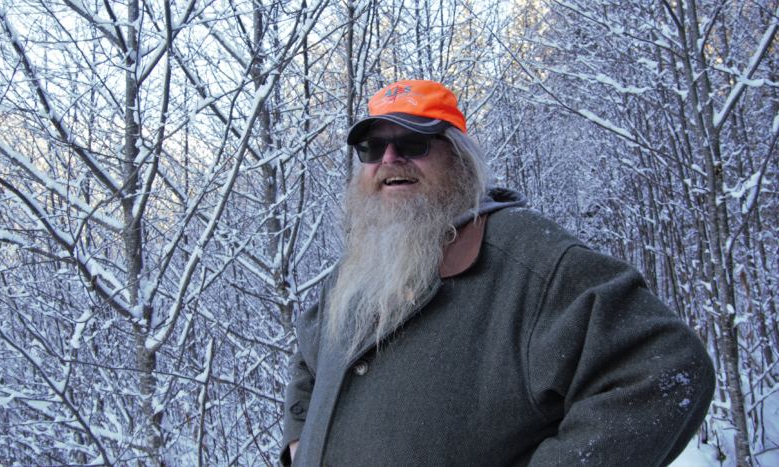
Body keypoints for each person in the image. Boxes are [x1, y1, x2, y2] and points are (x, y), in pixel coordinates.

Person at [280, 79, 715, 466]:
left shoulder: (527, 257)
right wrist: (299, 436)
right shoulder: (367, 259)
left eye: (413, 142)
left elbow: (666, 367)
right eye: (372, 147)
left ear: (459, 157)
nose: (390, 158)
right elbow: (310, 353)